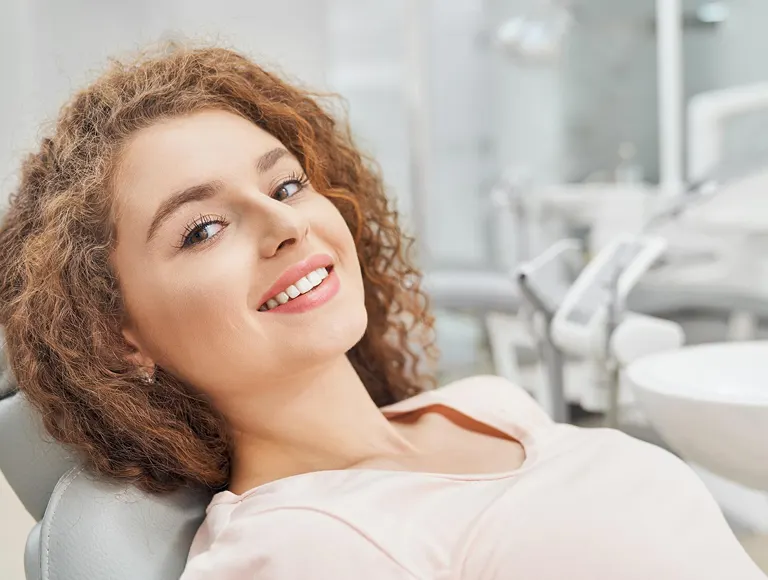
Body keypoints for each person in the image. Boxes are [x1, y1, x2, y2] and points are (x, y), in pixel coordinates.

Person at [0, 44, 763, 580]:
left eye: (286, 185)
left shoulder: (481, 403)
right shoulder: (294, 548)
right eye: (203, 229)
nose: (286, 223)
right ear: (119, 336)